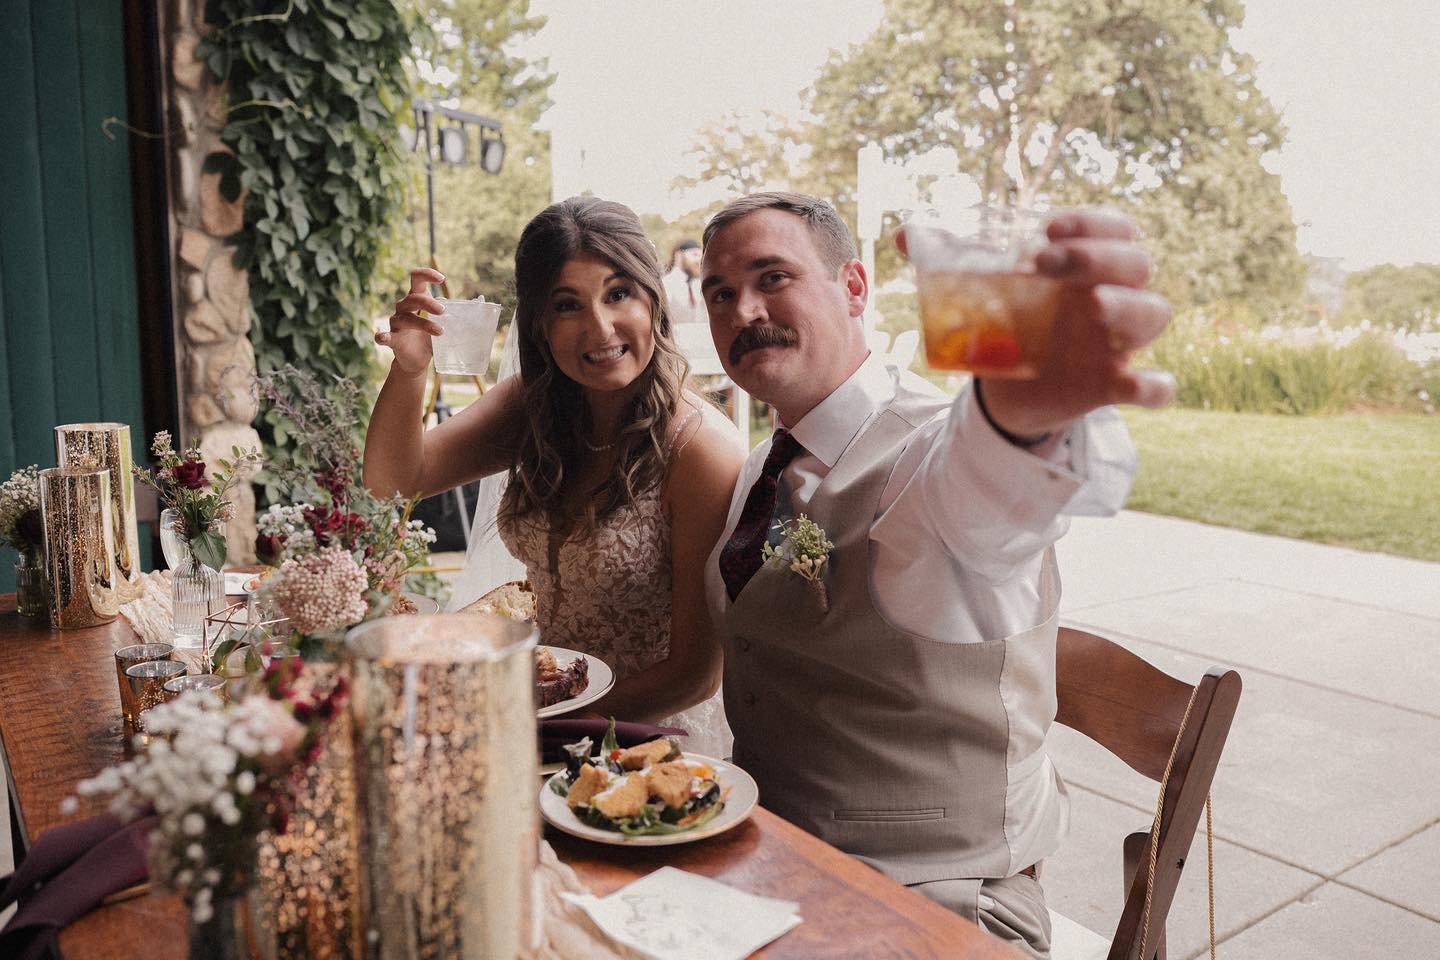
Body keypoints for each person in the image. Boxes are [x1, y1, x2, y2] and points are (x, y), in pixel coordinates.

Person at [698, 192, 1174, 958]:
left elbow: (984, 499)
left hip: (936, 904)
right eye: (720, 293)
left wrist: (1019, 420)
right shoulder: (762, 467)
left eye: (772, 277)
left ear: (855, 287)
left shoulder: (927, 447)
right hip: (768, 871)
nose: (743, 310)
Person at [364, 197, 745, 748]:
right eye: (568, 305)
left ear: (653, 300)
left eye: (618, 294)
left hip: (649, 742)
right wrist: (409, 369)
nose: (600, 328)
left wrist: (531, 723)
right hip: (540, 722)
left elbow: (694, 676)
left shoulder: (700, 450)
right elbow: (394, 481)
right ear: (539, 324)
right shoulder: (535, 407)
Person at [662, 238, 707, 324]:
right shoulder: (666, 283)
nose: (699, 261)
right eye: (695, 255)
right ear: (679, 255)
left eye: (701, 256)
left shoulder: (699, 284)